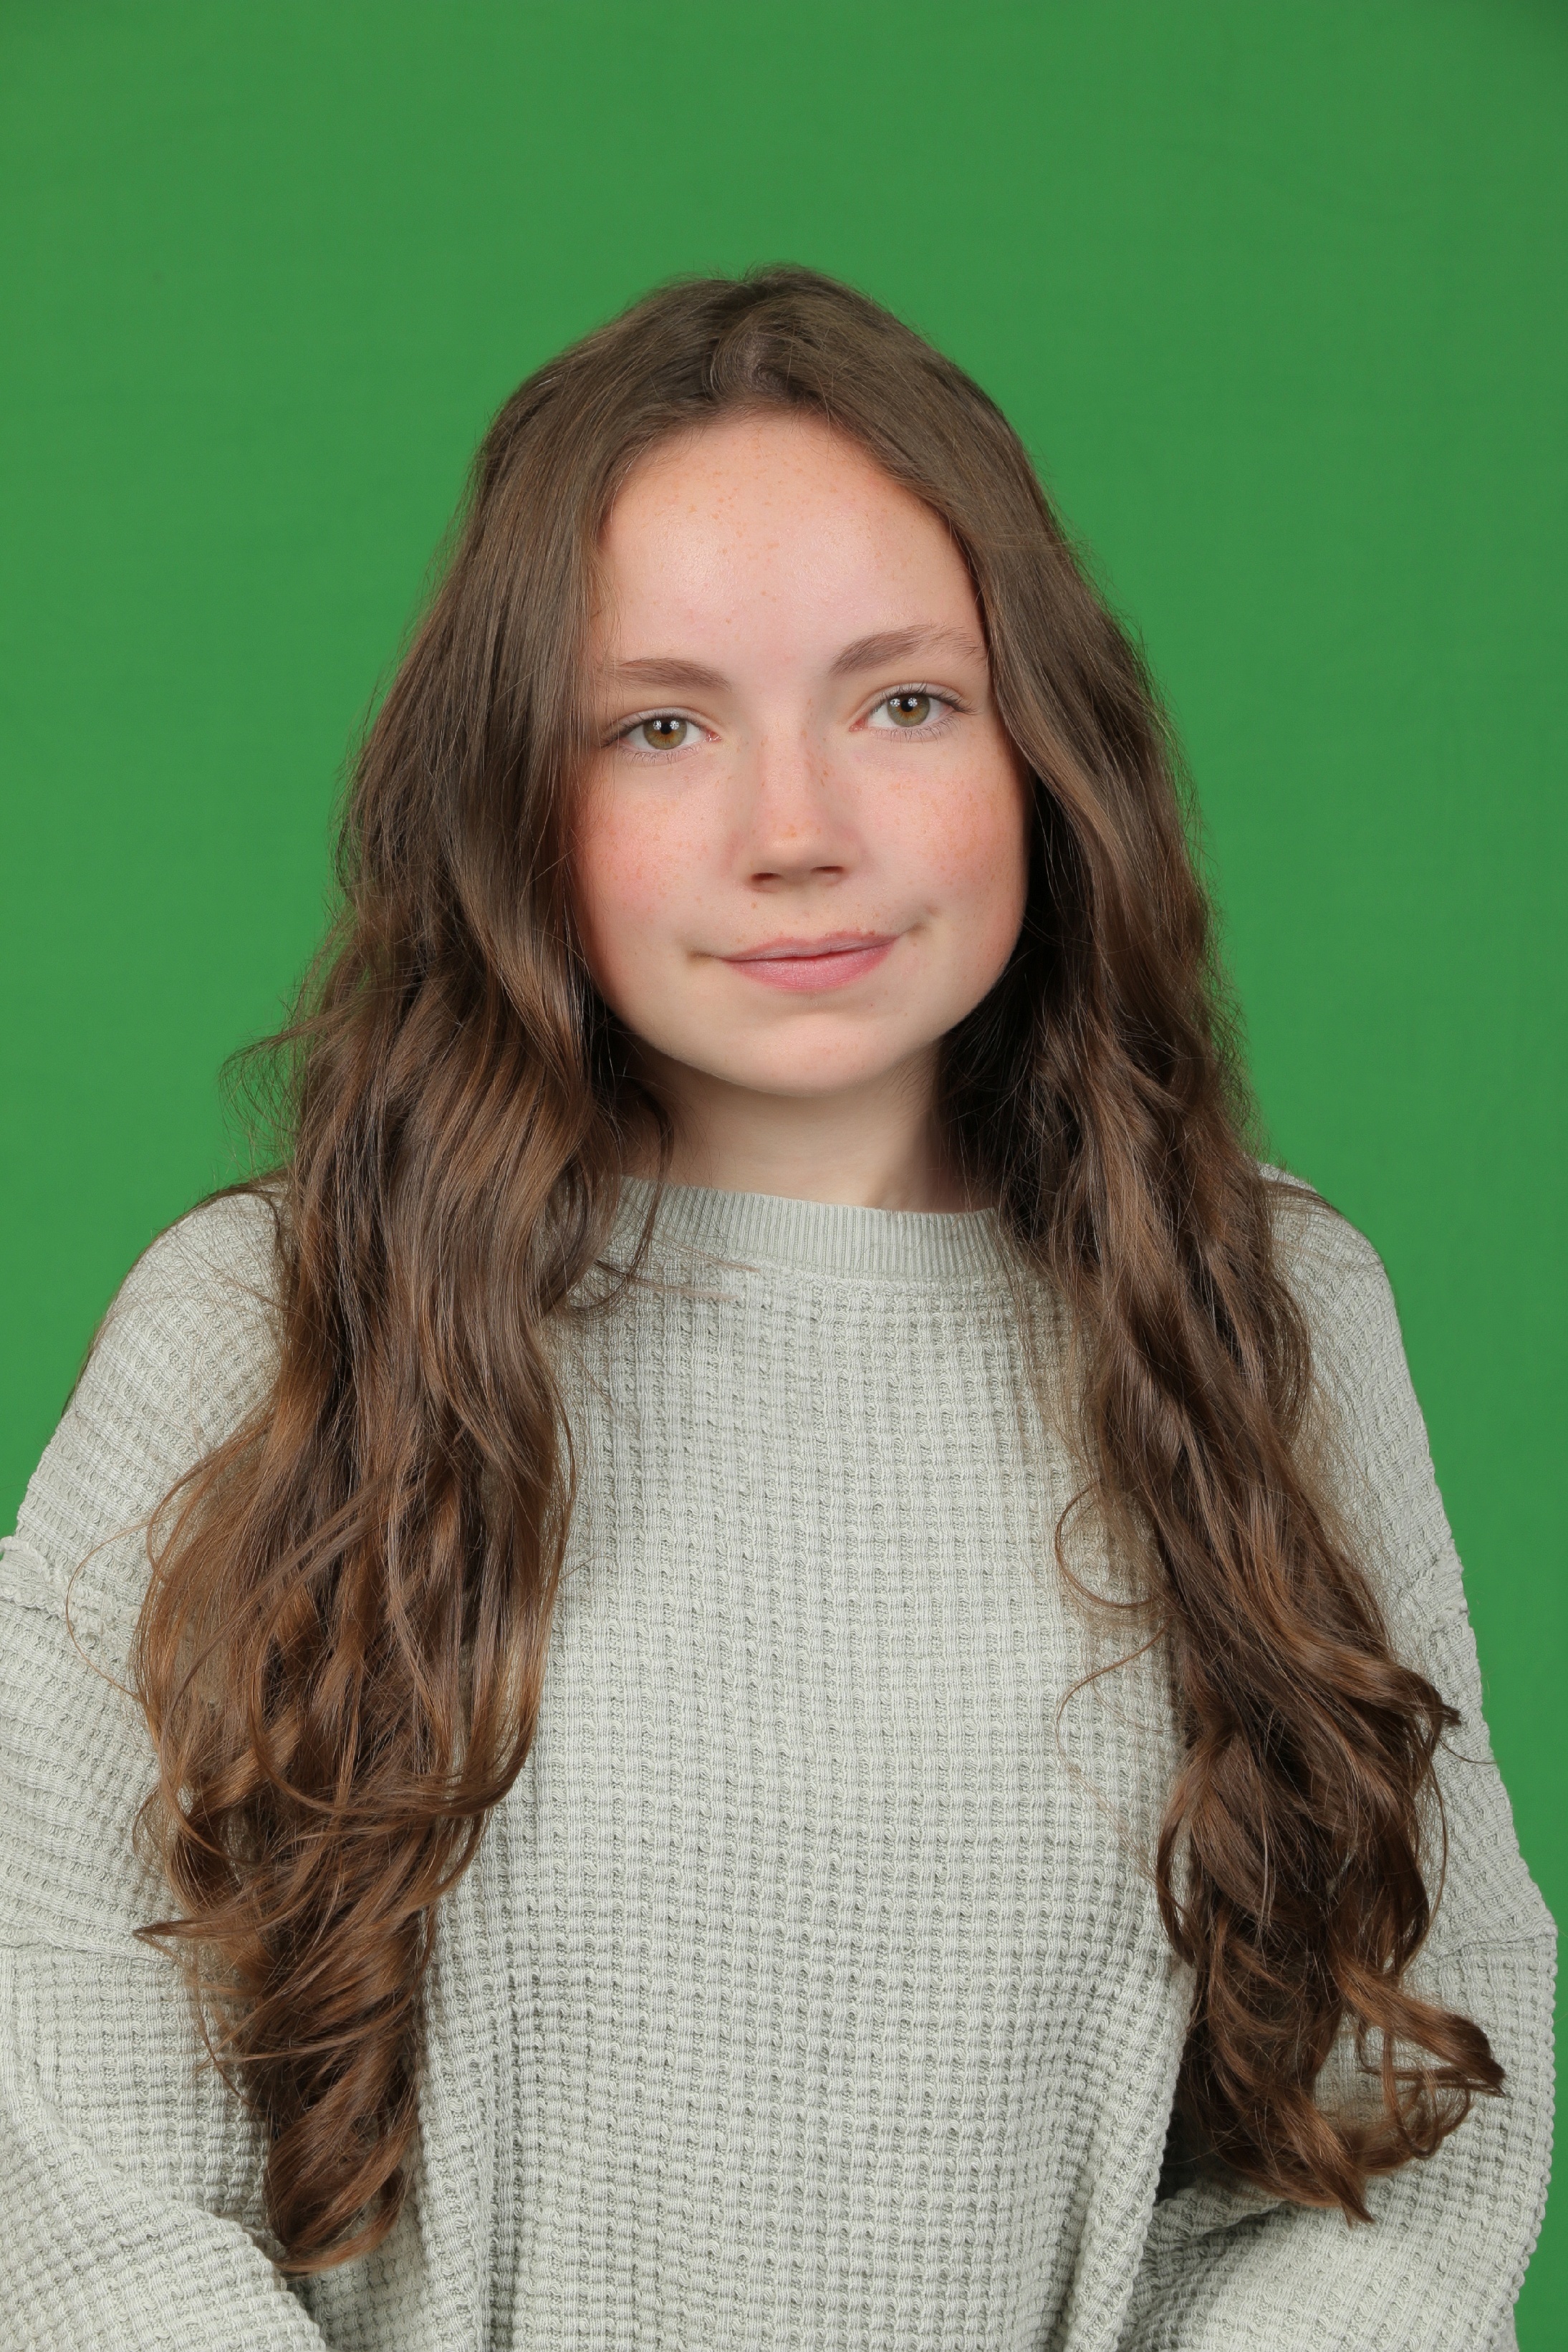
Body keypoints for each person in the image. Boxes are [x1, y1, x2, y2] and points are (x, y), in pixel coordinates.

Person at [0, 266, 1552, 2351]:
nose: (797, 834)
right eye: (661, 726)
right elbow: (66, 2137)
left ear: (1043, 748)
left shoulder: (1264, 1310)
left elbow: (1406, 2095)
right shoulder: (260, 1323)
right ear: (518, 798)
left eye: (903, 703)